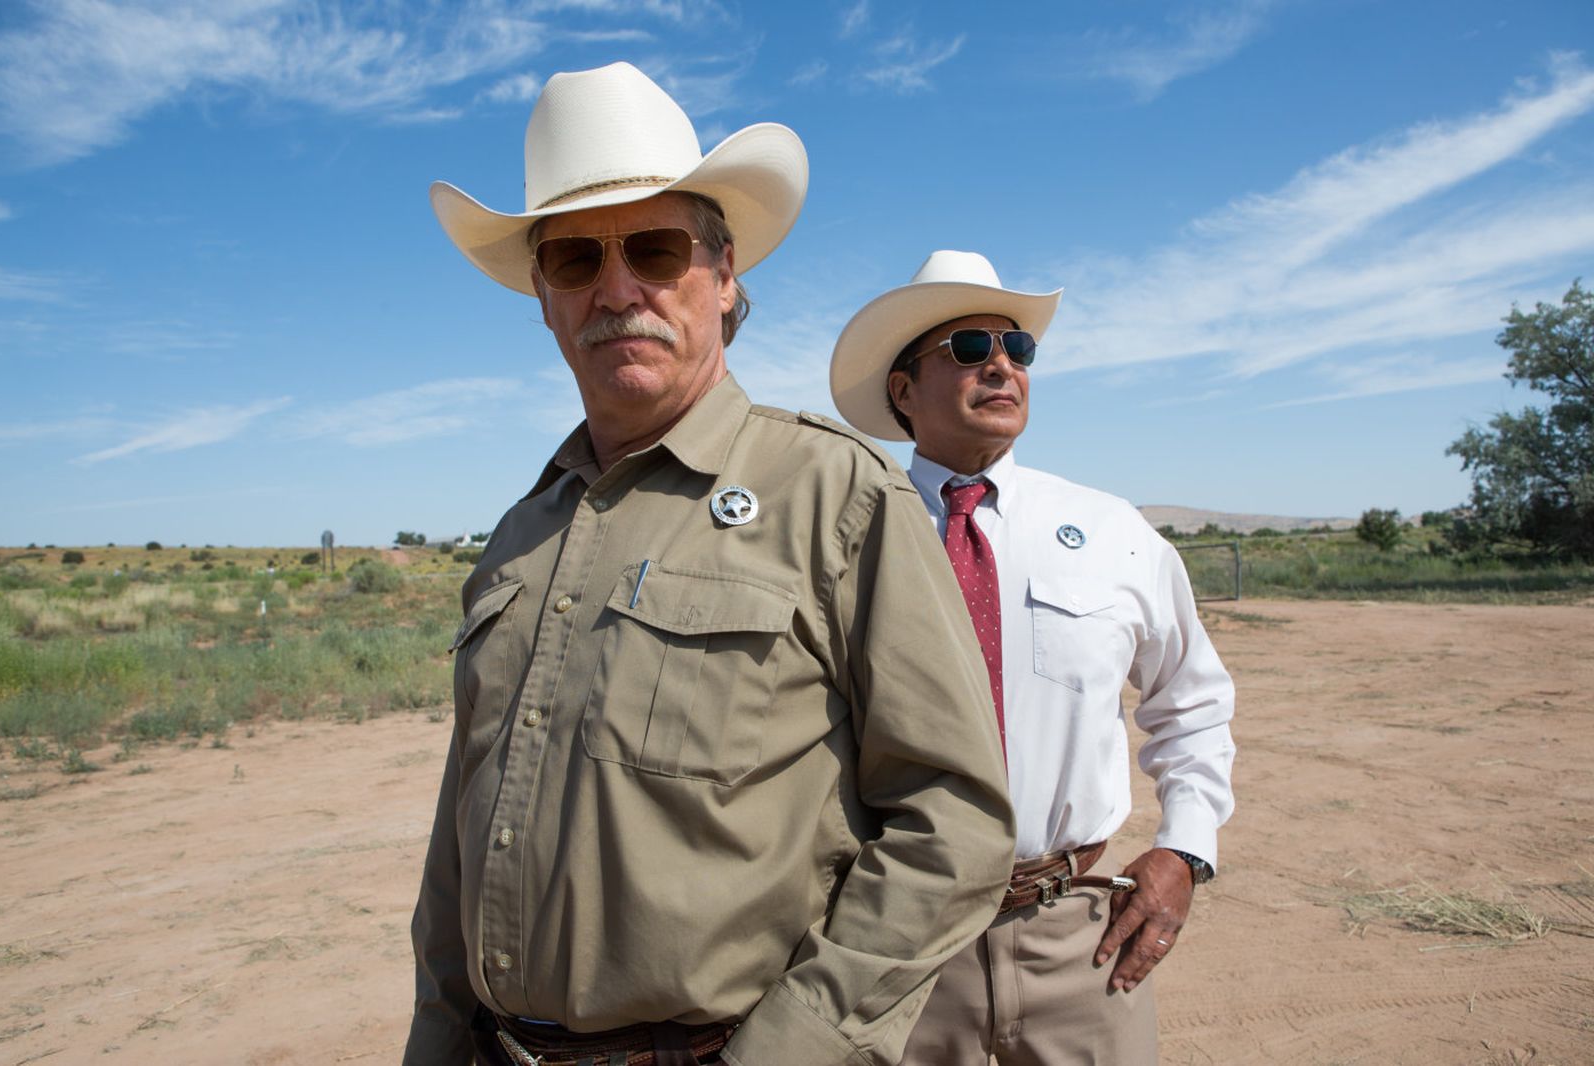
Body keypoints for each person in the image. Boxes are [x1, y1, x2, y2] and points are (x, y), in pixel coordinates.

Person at [405, 66, 1015, 1066]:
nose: (615, 289)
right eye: (572, 260)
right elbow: (458, 844)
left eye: (654, 248)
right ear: (543, 302)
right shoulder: (521, 536)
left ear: (725, 276)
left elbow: (954, 817)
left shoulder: (836, 495)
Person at [829, 250, 1237, 1063]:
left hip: (1080, 941)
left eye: (1019, 349)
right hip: (893, 945)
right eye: (971, 349)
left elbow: (1190, 702)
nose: (1004, 366)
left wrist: (1187, 849)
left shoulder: (1111, 529)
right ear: (903, 390)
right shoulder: (844, 532)